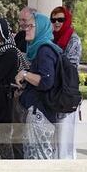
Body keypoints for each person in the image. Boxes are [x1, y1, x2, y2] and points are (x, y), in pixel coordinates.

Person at [15, 13, 62, 159]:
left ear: (41, 28)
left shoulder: (44, 50)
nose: (26, 29)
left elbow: (46, 81)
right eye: (25, 26)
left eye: (30, 26)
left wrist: (24, 74)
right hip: (40, 113)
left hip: (41, 115)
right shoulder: (42, 49)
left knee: (39, 159)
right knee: (35, 158)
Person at [0, 19, 29, 159]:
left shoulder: (10, 53)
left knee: (6, 144)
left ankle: (12, 171)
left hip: (5, 105)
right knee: (1, 142)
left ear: (4, 33)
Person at [50, 6, 82, 159]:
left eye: (60, 19)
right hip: (56, 92)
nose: (57, 23)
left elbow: (69, 67)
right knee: (56, 136)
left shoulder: (73, 40)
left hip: (67, 93)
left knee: (65, 137)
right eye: (54, 20)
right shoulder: (53, 38)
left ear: (67, 20)